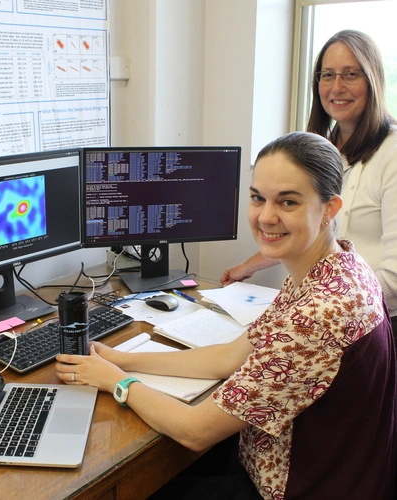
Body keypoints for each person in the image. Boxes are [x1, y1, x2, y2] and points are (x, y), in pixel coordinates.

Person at [55, 132, 397, 499]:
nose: (266, 216)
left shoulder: (316, 315)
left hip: (296, 487)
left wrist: (118, 383)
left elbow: (194, 431)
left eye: (288, 202)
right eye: (257, 198)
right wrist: (124, 360)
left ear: (330, 208)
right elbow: (229, 357)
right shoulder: (339, 266)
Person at [220, 30, 397, 338]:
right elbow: (307, 229)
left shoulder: (392, 154)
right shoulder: (325, 149)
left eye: (351, 74)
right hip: (323, 315)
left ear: (373, 80)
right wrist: (249, 265)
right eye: (327, 75)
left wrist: (332, 307)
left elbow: (394, 277)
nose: (337, 87)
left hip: (373, 324)